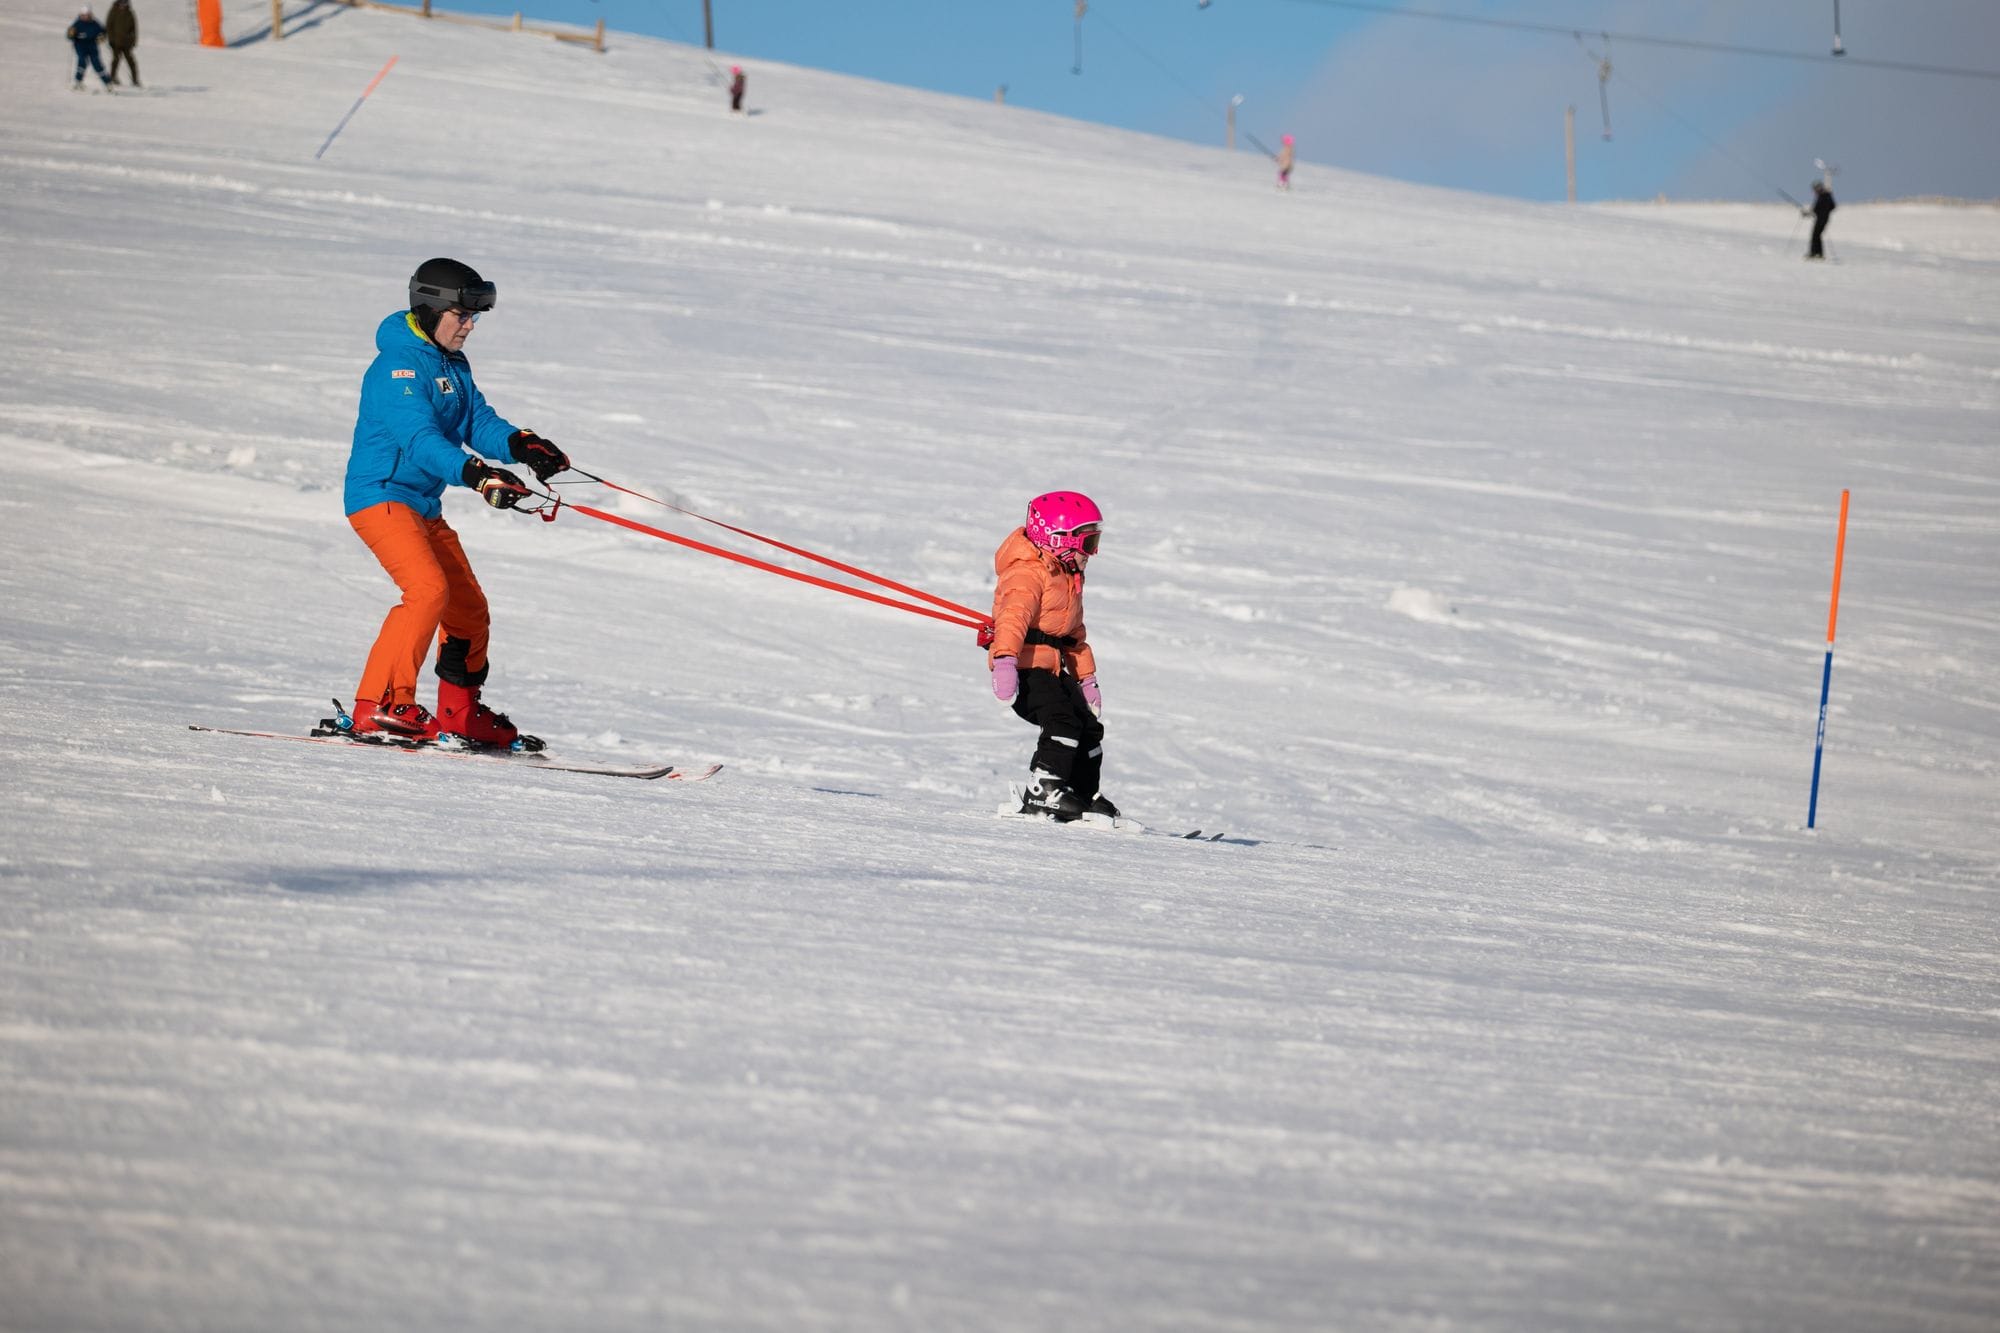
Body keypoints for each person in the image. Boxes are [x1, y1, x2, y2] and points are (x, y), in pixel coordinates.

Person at [340, 258, 575, 746]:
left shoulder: (449, 361)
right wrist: (475, 474)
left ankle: (458, 713)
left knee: (468, 609)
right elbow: (420, 439)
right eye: (461, 314)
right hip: (381, 497)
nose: (469, 325)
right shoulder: (397, 367)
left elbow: (475, 422)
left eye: (474, 316)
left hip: (423, 505)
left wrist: (521, 445)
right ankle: (380, 705)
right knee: (426, 591)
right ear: (429, 310)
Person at [987, 492, 1118, 821]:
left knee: (1088, 726)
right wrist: (1004, 661)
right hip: (1025, 669)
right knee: (1062, 721)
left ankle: (1080, 792)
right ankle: (1044, 789)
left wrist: (1087, 678)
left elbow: (1074, 636)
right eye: (1088, 544)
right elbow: (1012, 621)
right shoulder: (1028, 574)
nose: (1093, 553)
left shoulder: (1067, 577)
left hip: (1052, 668)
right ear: (1058, 540)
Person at [66, 7, 112, 91]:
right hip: (80, 46)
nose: (85, 17)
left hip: (92, 46)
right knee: (82, 61)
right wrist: (71, 34)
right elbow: (69, 35)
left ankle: (107, 83)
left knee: (97, 64)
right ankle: (78, 82)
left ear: (90, 15)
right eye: (83, 15)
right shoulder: (78, 23)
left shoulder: (94, 23)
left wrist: (101, 37)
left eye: (87, 15)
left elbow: (103, 31)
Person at [104, 0, 137, 88]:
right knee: (115, 60)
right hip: (115, 42)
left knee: (131, 61)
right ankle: (112, 78)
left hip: (127, 43)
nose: (123, 5)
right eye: (122, 3)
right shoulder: (113, 12)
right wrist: (111, 40)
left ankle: (135, 79)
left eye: (125, 3)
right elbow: (109, 26)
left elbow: (134, 29)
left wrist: (133, 41)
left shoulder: (130, 13)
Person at [1804, 180, 1836, 261]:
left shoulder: (1824, 196)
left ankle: (1815, 253)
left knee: (1815, 235)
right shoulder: (1825, 196)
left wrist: (1822, 212)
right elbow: (1818, 209)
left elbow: (1828, 207)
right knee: (1817, 235)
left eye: (1815, 189)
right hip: (1822, 219)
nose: (1815, 191)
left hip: (1822, 219)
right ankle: (1817, 253)